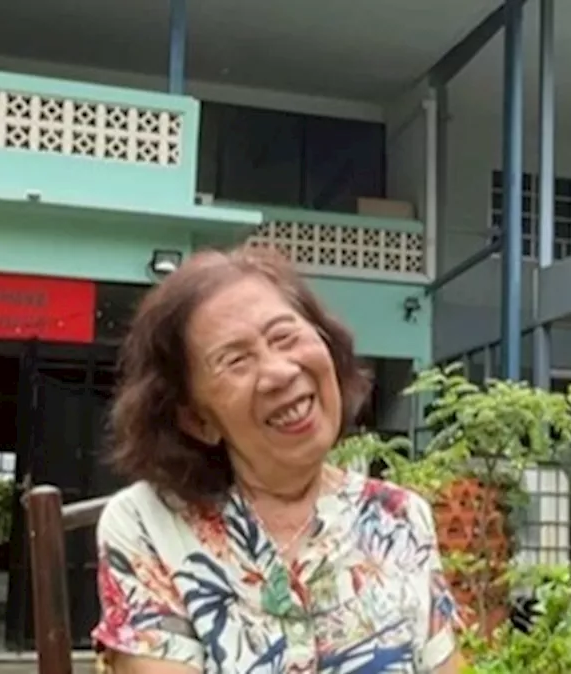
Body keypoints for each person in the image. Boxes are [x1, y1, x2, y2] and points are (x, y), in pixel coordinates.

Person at [91, 247, 464, 674]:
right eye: (235, 360)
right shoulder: (149, 525)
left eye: (285, 337)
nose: (280, 372)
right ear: (197, 419)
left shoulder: (399, 518)